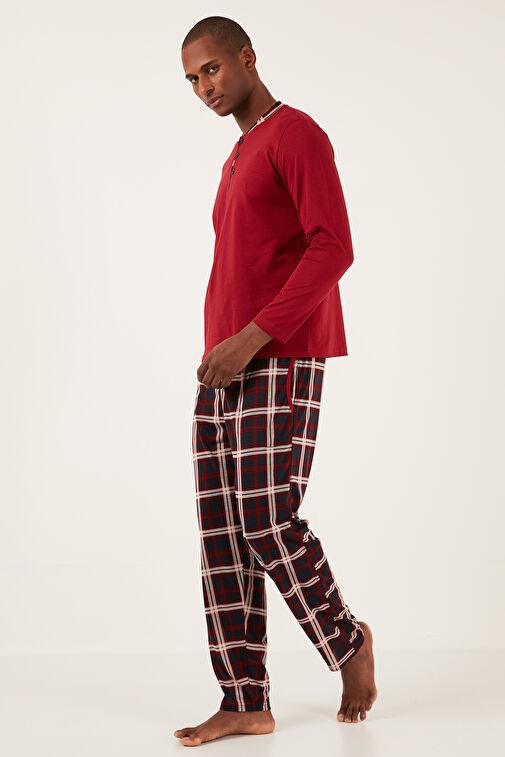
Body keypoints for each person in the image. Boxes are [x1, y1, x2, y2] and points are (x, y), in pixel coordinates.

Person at [175, 15, 377, 747]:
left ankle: (347, 641)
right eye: (192, 79)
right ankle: (243, 698)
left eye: (212, 69)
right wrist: (220, 352)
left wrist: (251, 339)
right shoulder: (238, 155)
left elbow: (334, 246)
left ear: (246, 57)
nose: (204, 87)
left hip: (278, 353)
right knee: (223, 531)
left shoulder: (297, 135)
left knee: (265, 516)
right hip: (223, 364)